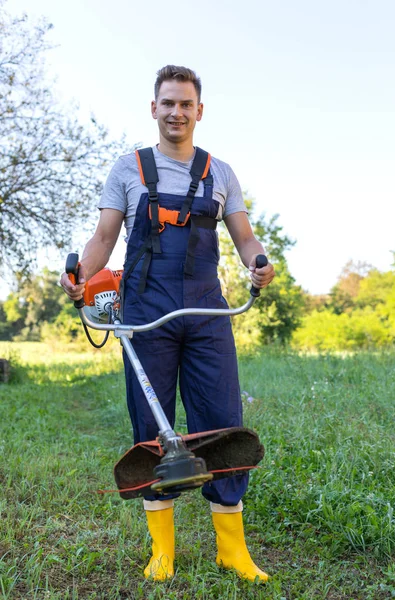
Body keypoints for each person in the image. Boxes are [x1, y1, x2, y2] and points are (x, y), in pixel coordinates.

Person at [61, 65, 275, 582]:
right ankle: (163, 553)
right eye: (168, 103)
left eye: (186, 104)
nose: (176, 112)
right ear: (153, 109)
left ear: (199, 111)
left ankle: (233, 551)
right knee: (152, 429)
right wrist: (81, 274)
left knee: (224, 424)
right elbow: (104, 237)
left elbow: (246, 238)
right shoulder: (127, 169)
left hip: (206, 313)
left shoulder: (220, 173)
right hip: (144, 313)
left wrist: (258, 260)